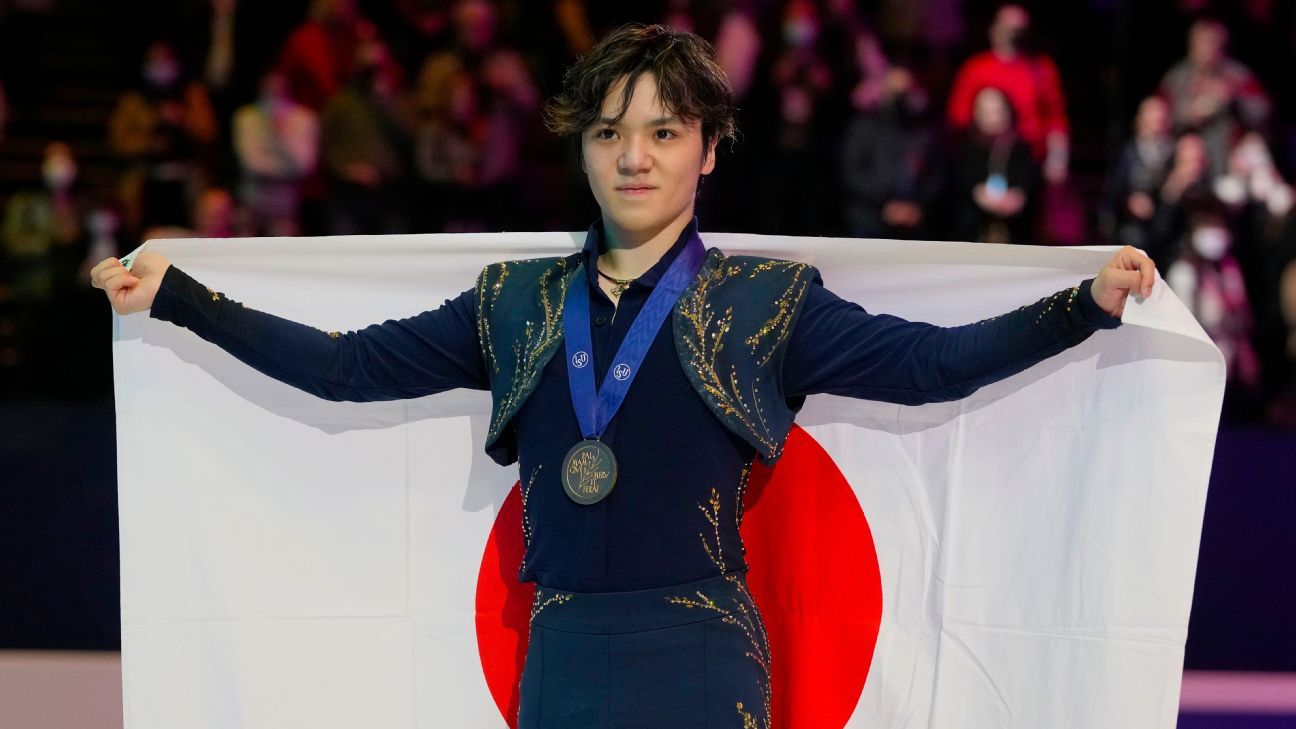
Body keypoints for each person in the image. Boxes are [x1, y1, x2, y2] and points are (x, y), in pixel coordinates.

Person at [92, 24, 1155, 728]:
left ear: (709, 149)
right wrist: (184, 297)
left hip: (705, 657)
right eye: (610, 133)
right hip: (562, 655)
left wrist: (1082, 304)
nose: (634, 156)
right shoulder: (512, 301)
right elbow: (345, 368)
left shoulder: (767, 300)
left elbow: (932, 365)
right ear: (583, 151)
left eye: (663, 131)